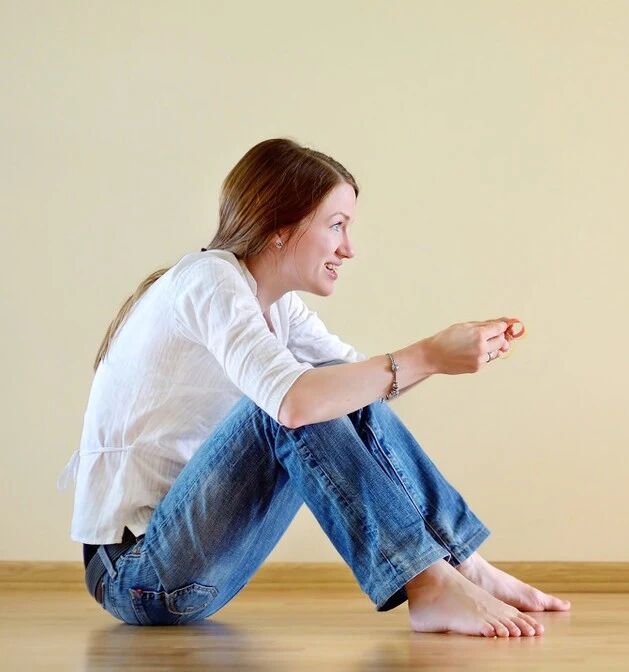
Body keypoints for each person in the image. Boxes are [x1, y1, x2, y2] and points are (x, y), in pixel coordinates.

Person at [59, 138, 569, 637]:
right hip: (137, 574)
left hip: (190, 567)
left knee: (336, 388)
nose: (348, 248)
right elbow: (295, 402)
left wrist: (446, 355)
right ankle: (429, 583)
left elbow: (364, 386)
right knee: (289, 404)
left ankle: (461, 564)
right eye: (336, 225)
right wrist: (429, 354)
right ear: (281, 227)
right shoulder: (207, 279)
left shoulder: (277, 305)